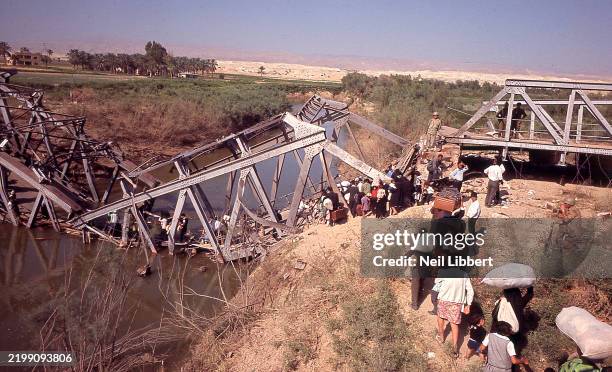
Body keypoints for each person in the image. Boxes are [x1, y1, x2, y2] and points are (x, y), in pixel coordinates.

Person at [435, 268, 474, 358]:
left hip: (443, 299)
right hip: (457, 303)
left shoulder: (443, 271)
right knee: (454, 324)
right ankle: (455, 348)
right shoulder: (464, 274)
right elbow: (470, 290)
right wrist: (468, 305)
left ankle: (441, 337)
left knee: (440, 317)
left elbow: (437, 283)